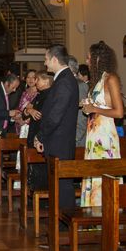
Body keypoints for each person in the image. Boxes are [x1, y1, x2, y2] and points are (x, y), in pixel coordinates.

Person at [34, 45, 79, 209]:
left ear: (54, 59)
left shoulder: (65, 81)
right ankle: (58, 222)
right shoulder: (62, 79)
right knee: (58, 185)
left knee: (62, 186)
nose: (45, 64)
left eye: (46, 59)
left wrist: (41, 135)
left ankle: (63, 223)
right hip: (57, 141)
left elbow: (55, 115)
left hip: (59, 142)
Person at [80, 41, 124, 207]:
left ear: (98, 59)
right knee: (93, 173)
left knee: (104, 176)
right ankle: (93, 218)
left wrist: (94, 108)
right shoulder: (98, 80)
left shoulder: (110, 79)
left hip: (105, 136)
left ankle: (107, 216)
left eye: (89, 57)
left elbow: (119, 112)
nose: (87, 60)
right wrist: (88, 106)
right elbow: (98, 106)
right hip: (93, 135)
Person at [12, 69, 38, 137]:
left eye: (33, 77)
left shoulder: (39, 93)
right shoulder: (23, 92)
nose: (30, 79)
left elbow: (38, 111)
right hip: (19, 124)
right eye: (28, 77)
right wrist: (15, 117)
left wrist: (24, 121)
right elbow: (19, 107)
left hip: (31, 126)